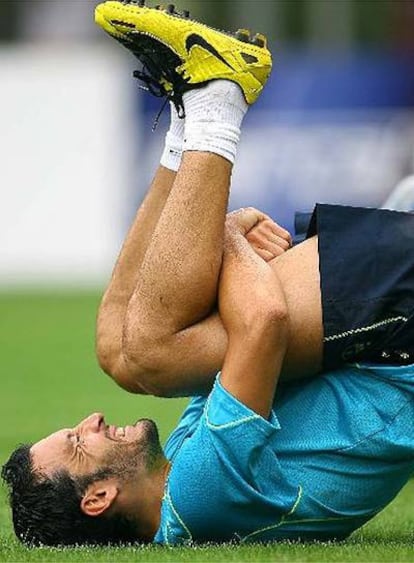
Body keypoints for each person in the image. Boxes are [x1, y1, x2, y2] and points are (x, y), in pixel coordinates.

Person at [3, 0, 414, 547]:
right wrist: (224, 233)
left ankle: (185, 118)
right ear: (98, 498)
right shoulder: (200, 497)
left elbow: (224, 312)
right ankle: (215, 102)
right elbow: (261, 319)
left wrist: (225, 246)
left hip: (373, 327)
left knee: (120, 352)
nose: (94, 419)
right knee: (149, 350)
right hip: (393, 338)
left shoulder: (182, 485)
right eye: (81, 444)